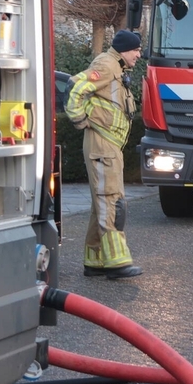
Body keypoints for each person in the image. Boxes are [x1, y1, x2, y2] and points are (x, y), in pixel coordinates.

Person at [65, 30, 143, 279]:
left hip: (108, 146)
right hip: (103, 145)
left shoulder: (116, 68)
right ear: (124, 49)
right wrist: (80, 120)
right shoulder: (107, 66)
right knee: (111, 201)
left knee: (102, 202)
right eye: (136, 50)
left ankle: (95, 259)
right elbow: (74, 86)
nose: (139, 55)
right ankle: (117, 262)